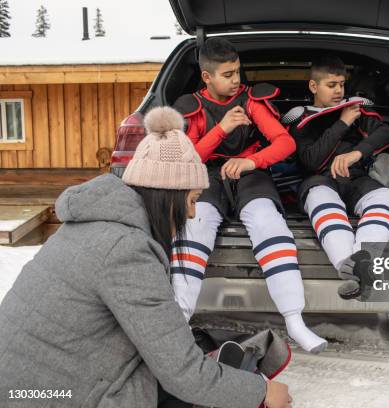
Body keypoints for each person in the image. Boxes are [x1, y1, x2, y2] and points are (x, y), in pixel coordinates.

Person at [0, 106, 292, 408]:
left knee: (191, 349)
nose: (192, 213)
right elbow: (184, 374)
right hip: (50, 397)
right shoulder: (127, 251)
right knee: (191, 389)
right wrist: (260, 392)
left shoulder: (93, 225)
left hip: (25, 385)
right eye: (192, 200)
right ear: (168, 197)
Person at [170, 37, 327, 354]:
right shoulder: (193, 106)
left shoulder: (250, 100)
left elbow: (285, 143)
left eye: (238, 72)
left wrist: (250, 161)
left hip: (250, 170)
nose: (236, 80)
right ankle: (176, 323)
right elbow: (185, 159)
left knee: (267, 219)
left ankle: (294, 320)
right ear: (207, 77)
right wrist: (222, 129)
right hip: (207, 174)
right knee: (197, 223)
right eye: (227, 74)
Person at [287, 55, 389, 299]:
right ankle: (347, 268)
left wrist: (356, 154)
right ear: (313, 86)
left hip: (355, 180)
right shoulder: (300, 117)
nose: (339, 91)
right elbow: (310, 161)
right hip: (319, 181)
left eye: (341, 84)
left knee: (388, 197)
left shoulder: (355, 109)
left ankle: (364, 261)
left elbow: (386, 132)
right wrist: (342, 123)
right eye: (331, 85)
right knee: (321, 199)